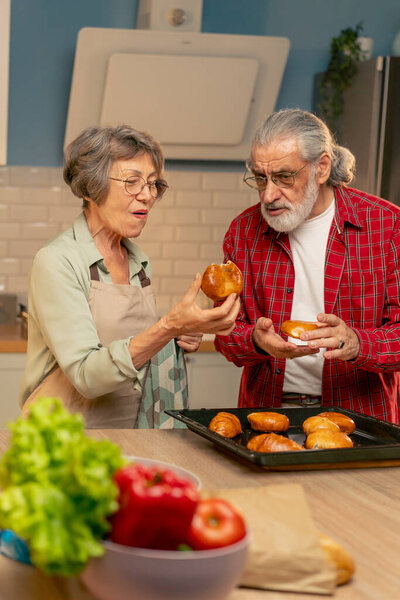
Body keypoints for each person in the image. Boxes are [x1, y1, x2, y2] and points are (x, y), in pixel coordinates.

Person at [20, 125, 240, 428]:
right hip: (65, 438)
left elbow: (132, 341)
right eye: (132, 182)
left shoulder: (138, 260)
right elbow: (86, 376)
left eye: (152, 184)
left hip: (131, 432)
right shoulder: (58, 261)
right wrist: (167, 326)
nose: (147, 196)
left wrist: (177, 334)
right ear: (91, 187)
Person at [215, 108, 400, 423]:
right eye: (261, 178)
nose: (269, 195)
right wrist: (255, 341)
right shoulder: (244, 231)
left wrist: (358, 343)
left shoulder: (387, 226)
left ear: (322, 167)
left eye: (284, 177)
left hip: (361, 417)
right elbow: (225, 332)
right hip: (268, 414)